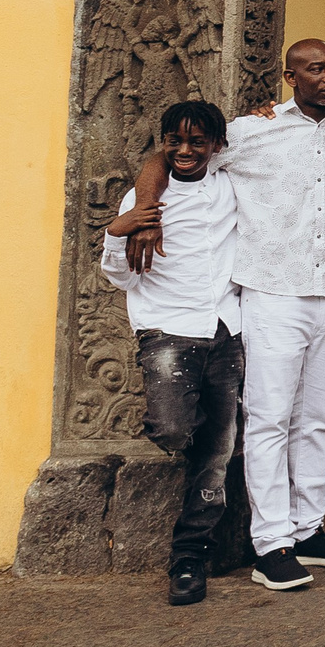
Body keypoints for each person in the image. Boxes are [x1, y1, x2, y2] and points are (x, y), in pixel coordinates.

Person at [119, 39, 325, 593]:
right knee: (270, 419)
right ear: (290, 77)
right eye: (316, 68)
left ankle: (307, 529)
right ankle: (271, 544)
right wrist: (146, 213)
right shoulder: (252, 132)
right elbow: (169, 155)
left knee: (318, 419)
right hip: (274, 295)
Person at [100, 100, 242, 606]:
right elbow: (120, 277)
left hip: (226, 328)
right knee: (173, 428)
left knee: (218, 453)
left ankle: (189, 557)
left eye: (197, 141)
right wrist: (119, 232)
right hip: (168, 330)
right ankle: (212, 436)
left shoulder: (229, 184)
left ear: (216, 146)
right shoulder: (141, 200)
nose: (185, 150)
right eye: (174, 141)